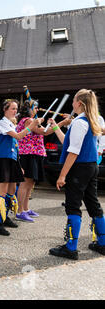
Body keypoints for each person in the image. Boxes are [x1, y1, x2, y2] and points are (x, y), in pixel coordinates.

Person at [48, 89, 105, 259]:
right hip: (91, 166)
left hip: (80, 168)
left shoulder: (80, 122)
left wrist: (62, 175)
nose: (72, 103)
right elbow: (68, 142)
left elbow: (73, 151)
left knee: (73, 205)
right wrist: (57, 127)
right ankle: (102, 243)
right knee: (93, 204)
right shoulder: (90, 120)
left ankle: (71, 247)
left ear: (79, 103)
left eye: (73, 100)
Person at [0, 100, 40, 236]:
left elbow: (15, 145)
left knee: (11, 191)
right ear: (5, 109)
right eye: (12, 108)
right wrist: (32, 126)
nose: (15, 111)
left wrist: (18, 164)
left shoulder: (10, 123)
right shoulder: (2, 123)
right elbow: (18, 136)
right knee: (2, 192)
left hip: (12, 160)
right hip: (3, 160)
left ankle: (5, 217)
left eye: (16, 108)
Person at [15, 100, 58, 222]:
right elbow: (43, 132)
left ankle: (26, 208)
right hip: (28, 154)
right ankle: (20, 211)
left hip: (34, 154)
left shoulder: (33, 121)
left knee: (30, 183)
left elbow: (47, 131)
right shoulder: (28, 120)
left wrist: (54, 124)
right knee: (25, 183)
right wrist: (60, 124)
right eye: (35, 107)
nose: (37, 110)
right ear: (29, 109)